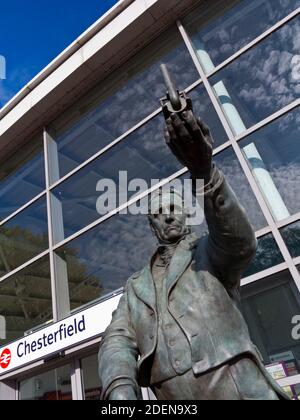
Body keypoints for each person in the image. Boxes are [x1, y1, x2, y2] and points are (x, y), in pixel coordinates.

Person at [98, 108, 288, 400]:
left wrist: (204, 174)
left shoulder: (207, 251)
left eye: (174, 209)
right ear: (153, 226)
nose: (169, 217)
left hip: (237, 388)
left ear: (186, 215)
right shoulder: (136, 286)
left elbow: (240, 241)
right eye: (160, 214)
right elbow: (116, 339)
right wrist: (120, 386)